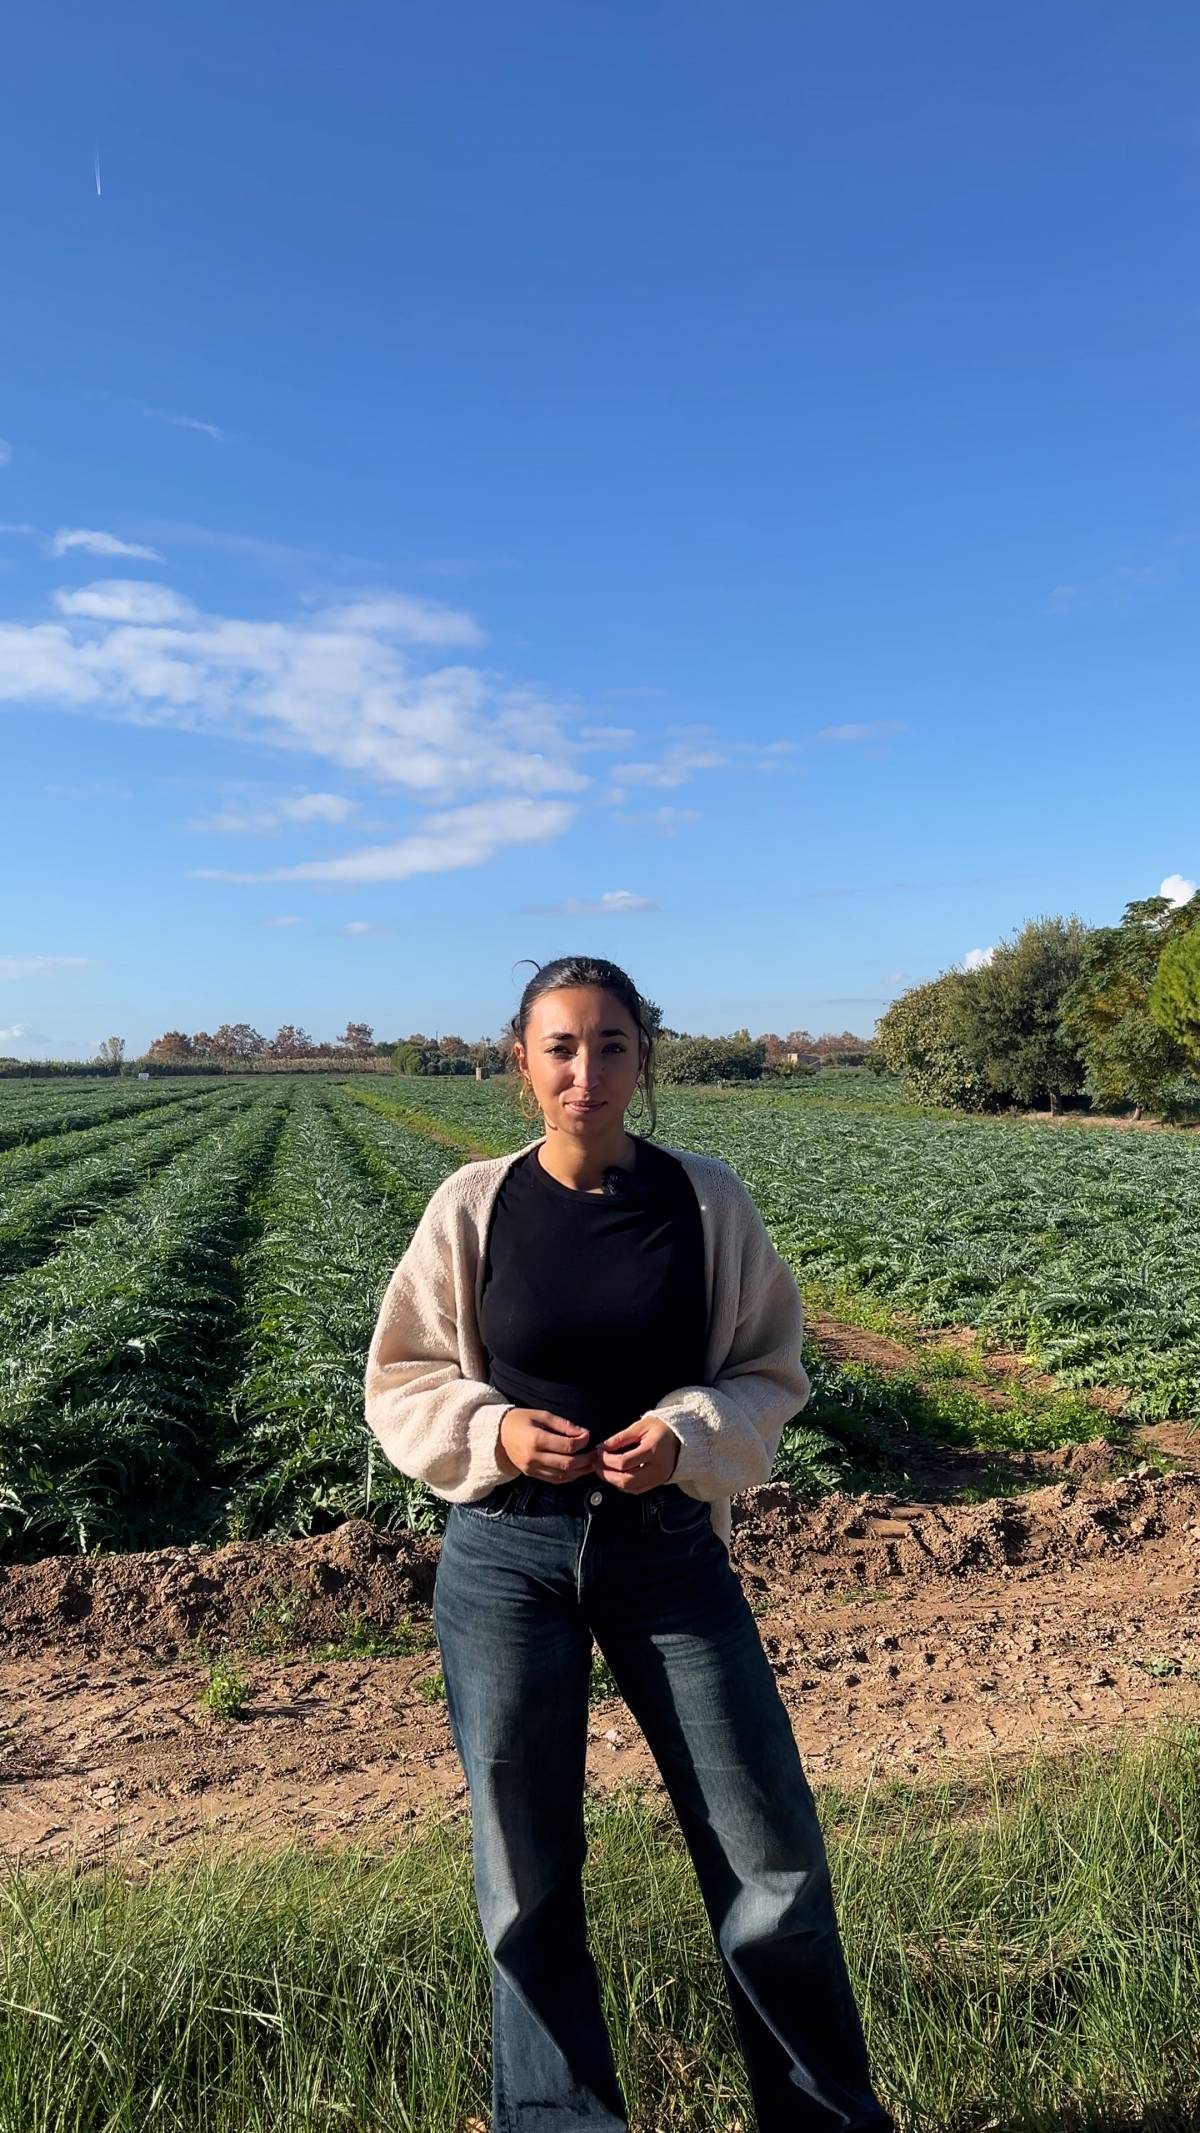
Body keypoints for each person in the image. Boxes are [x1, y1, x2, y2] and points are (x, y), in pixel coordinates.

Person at [364, 954, 894, 2133]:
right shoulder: (473, 1204)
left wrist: (687, 1434)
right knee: (526, 1877)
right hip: (505, 1559)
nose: (585, 1071)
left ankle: (823, 2120)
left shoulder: (707, 1203)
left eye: (610, 1045)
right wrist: (494, 1431)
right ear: (521, 1062)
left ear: (644, 1056)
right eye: (560, 1047)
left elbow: (769, 1372)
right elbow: (400, 1379)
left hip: (665, 1553)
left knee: (771, 1860)